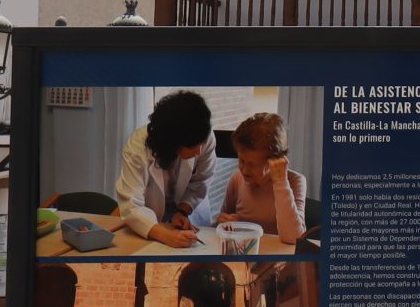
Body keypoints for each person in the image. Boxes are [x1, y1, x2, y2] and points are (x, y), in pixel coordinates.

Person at [110, 90, 216, 248]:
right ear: (172, 141)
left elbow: (201, 180)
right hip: (149, 222)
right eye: (192, 146)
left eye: (201, 144)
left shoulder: (202, 136)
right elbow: (131, 204)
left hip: (190, 216)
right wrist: (166, 236)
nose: (199, 151)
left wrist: (182, 212)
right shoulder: (137, 150)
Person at [212, 112, 307, 245]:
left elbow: (293, 238)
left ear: (275, 160)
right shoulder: (237, 179)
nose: (244, 170)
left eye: (251, 164)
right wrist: (222, 221)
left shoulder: (295, 182)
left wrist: (280, 182)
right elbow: (220, 225)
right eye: (241, 161)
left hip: (277, 259)